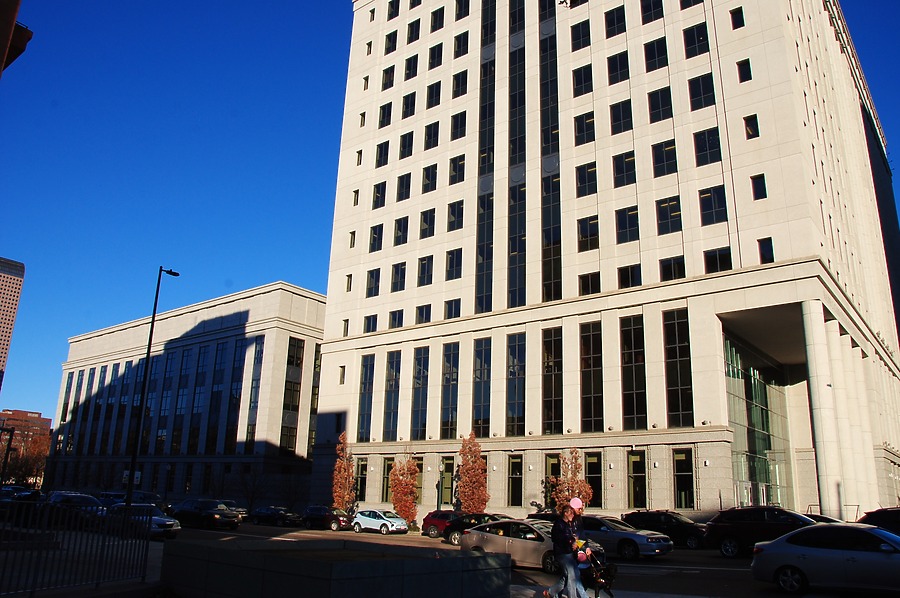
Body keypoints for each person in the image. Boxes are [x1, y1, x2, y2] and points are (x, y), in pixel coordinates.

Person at [544, 503, 590, 598]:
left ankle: (551, 592)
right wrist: (571, 542)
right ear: (565, 513)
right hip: (562, 554)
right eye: (571, 513)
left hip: (569, 554)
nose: (573, 516)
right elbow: (558, 538)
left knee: (570, 576)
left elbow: (573, 537)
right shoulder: (559, 524)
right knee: (571, 577)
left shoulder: (568, 524)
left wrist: (574, 541)